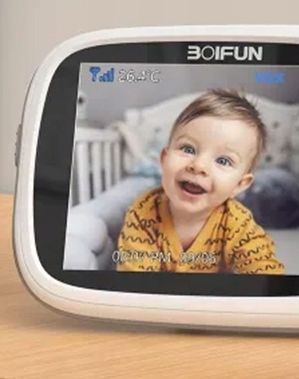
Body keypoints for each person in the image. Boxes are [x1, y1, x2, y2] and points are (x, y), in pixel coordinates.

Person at [115, 89, 286, 274]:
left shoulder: (237, 223)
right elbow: (136, 282)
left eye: (223, 161)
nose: (198, 166)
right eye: (188, 149)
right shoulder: (143, 215)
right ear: (164, 159)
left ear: (239, 185)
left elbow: (265, 270)